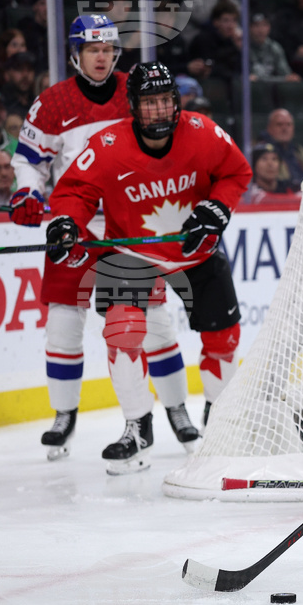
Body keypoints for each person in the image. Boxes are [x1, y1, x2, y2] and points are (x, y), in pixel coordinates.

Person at [47, 61, 251, 475]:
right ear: (133, 107)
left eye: (164, 100)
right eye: (149, 102)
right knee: (122, 331)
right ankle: (137, 428)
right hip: (131, 253)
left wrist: (217, 207)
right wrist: (67, 221)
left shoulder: (202, 132)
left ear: (176, 103)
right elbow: (75, 191)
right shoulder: (107, 145)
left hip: (195, 249)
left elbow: (236, 172)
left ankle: (221, 420)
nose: (158, 110)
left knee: (224, 338)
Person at [9, 16, 195, 461]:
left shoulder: (136, 90)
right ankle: (64, 415)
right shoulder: (53, 103)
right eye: (93, 50)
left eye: (109, 49)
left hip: (128, 226)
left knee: (152, 322)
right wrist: (27, 192)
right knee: (63, 323)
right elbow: (29, 161)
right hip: (73, 227)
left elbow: (169, 139)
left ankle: (176, 409)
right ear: (76, 53)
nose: (102, 57)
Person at [256, 108, 303, 191]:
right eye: (279, 124)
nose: (284, 128)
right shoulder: (261, 151)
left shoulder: (298, 150)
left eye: (288, 124)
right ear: (269, 127)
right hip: (281, 197)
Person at [187, 0, 243, 83]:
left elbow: (242, 70)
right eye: (226, 20)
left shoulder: (235, 42)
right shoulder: (203, 40)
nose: (231, 26)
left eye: (234, 20)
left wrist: (239, 49)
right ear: (216, 22)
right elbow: (208, 70)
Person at [248, 13, 300, 82]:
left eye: (264, 25)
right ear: (249, 28)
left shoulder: (275, 47)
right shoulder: (243, 47)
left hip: (272, 89)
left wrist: (259, 79)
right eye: (256, 25)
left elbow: (287, 76)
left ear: (269, 27)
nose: (260, 30)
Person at [1, 50, 36, 118]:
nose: (25, 75)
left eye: (29, 69)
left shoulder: (37, 103)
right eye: (19, 69)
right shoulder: (0, 104)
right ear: (7, 74)